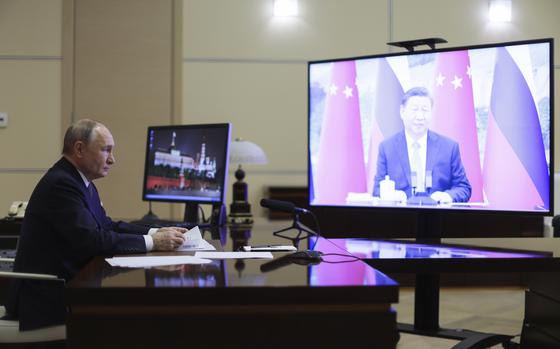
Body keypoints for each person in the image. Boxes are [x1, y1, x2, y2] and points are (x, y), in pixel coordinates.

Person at [4, 119, 187, 331]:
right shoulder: (61, 184)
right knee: (132, 324)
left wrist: (156, 231)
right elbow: (93, 241)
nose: (113, 159)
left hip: (66, 287)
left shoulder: (80, 181)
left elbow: (106, 226)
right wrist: (153, 242)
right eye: (106, 150)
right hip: (45, 300)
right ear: (79, 149)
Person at [373, 87, 471, 203]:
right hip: (400, 217)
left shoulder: (449, 147)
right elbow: (377, 190)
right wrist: (392, 195)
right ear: (402, 112)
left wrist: (447, 196)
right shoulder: (387, 148)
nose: (420, 117)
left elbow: (463, 187)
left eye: (425, 110)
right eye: (414, 110)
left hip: (439, 217)